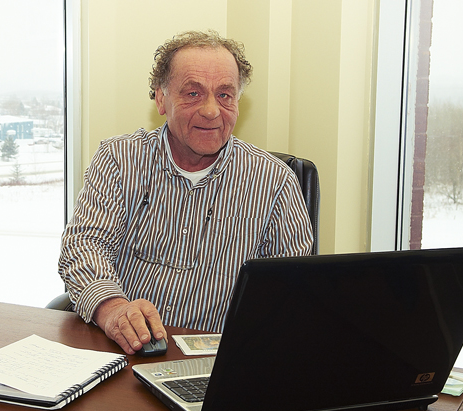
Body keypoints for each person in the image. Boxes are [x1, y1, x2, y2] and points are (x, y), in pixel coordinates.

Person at [58, 30, 313, 355]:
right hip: (124, 351)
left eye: (225, 95)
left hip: (219, 360)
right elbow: (84, 246)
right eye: (193, 93)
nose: (211, 110)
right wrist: (112, 309)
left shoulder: (276, 182)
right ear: (161, 98)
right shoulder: (120, 160)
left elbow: (291, 290)